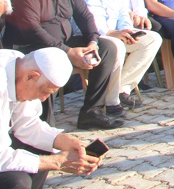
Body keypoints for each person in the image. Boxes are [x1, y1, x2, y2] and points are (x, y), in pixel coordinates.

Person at [2, 0, 123, 130]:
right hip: (29, 48)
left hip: (61, 43)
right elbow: (31, 29)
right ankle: (43, 126)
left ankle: (91, 112)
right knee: (48, 60)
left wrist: (92, 41)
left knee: (106, 47)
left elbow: (85, 16)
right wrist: (67, 52)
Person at [70, 0, 161, 111]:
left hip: (116, 32)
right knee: (116, 45)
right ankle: (112, 102)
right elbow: (79, 19)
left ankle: (121, 88)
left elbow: (121, 9)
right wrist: (110, 33)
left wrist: (126, 28)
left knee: (152, 39)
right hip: (89, 37)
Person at [0, 48, 100, 188]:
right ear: (31, 76)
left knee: (45, 148)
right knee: (17, 181)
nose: (43, 99)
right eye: (44, 91)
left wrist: (62, 140)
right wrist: (58, 162)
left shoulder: (20, 66)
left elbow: (27, 124)